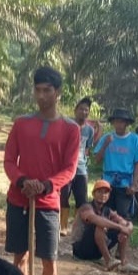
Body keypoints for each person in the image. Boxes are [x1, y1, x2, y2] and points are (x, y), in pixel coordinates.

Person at [3, 66, 82, 275]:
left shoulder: (71, 129)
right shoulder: (21, 123)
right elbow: (9, 161)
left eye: (47, 90)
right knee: (20, 256)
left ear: (58, 93)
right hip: (19, 198)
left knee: (49, 258)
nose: (42, 95)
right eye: (38, 89)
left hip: (48, 202)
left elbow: (70, 168)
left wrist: (48, 185)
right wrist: (23, 181)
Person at [91, 109, 138, 219]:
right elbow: (97, 159)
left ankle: (120, 235)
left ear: (127, 123)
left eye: (122, 122)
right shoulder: (107, 137)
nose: (119, 124)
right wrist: (105, 145)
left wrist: (134, 184)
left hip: (124, 183)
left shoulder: (135, 139)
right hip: (107, 181)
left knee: (122, 214)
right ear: (113, 123)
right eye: (116, 121)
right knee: (105, 213)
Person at [71, 180, 134, 270]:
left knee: (123, 228)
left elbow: (126, 223)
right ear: (93, 194)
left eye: (106, 192)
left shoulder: (107, 210)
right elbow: (95, 219)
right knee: (100, 225)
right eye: (99, 192)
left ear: (109, 196)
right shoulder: (86, 207)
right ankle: (108, 260)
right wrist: (120, 227)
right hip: (81, 250)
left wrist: (127, 228)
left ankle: (122, 261)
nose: (103, 194)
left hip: (95, 251)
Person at [60, 96, 96, 235]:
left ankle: (76, 226)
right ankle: (62, 226)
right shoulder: (66, 125)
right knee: (64, 196)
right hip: (66, 166)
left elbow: (87, 148)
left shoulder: (89, 130)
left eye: (86, 110)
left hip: (81, 167)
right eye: (81, 109)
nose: (84, 112)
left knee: (81, 198)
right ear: (75, 110)